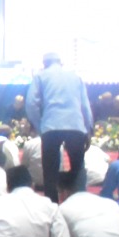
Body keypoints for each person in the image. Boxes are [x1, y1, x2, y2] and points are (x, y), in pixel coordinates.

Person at [25, 52, 93, 202]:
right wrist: (88, 130)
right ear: (61, 62)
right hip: (75, 126)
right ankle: (80, 202)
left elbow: (31, 104)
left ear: (44, 64)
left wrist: (40, 125)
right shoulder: (75, 77)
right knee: (78, 167)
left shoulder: (40, 77)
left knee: (50, 171)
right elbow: (85, 106)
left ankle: (52, 205)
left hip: (51, 127)